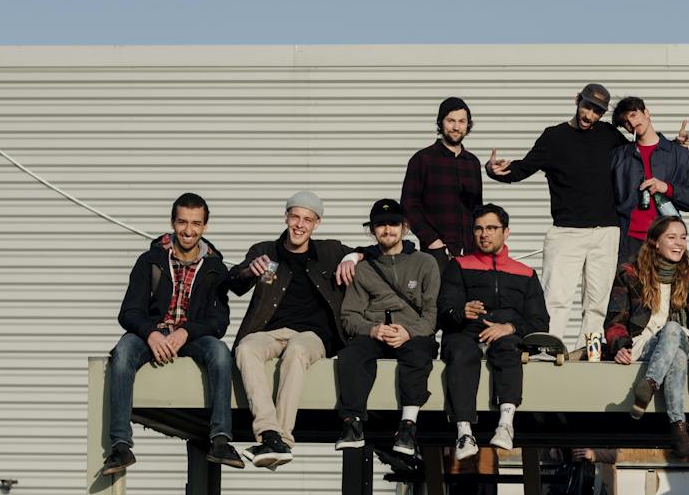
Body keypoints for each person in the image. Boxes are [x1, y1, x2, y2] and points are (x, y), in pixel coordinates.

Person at [100, 193, 241, 475]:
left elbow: (219, 321)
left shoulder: (215, 267)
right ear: (172, 223)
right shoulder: (149, 261)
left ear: (205, 227)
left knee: (220, 353)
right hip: (152, 334)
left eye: (196, 224)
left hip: (192, 337)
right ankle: (120, 446)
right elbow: (128, 312)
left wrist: (187, 331)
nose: (188, 230)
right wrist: (151, 333)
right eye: (182, 222)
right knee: (123, 351)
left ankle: (221, 440)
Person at [485, 82, 621, 355]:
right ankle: (549, 351)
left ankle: (590, 353)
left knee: (597, 302)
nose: (590, 115)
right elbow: (523, 167)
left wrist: (674, 147)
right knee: (556, 298)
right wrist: (494, 171)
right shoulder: (554, 137)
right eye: (587, 107)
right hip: (566, 232)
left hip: (606, 231)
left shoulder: (610, 135)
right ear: (576, 101)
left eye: (597, 112)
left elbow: (639, 156)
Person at [227, 190, 355, 469]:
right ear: (286, 217)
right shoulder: (265, 251)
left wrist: (353, 258)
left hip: (313, 336)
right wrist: (249, 271)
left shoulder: (331, 251)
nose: (299, 224)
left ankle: (282, 437)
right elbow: (234, 282)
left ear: (316, 224)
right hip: (271, 332)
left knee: (296, 351)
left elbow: (374, 254)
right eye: (295, 217)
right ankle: (269, 433)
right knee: (246, 347)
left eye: (307, 219)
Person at [438, 204, 549, 458]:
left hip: (505, 337)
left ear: (506, 232)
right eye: (478, 228)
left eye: (491, 228)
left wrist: (509, 327)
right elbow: (443, 310)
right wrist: (460, 311)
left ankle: (506, 425)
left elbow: (540, 321)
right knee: (462, 352)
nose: (484, 234)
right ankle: (464, 432)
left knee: (510, 346)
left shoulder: (525, 273)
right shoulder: (458, 265)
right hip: (465, 335)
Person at [333, 199, 441, 457]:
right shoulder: (362, 267)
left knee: (417, 355)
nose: (387, 229)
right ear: (372, 230)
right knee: (351, 355)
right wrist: (373, 330)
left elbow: (431, 314)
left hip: (411, 333)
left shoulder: (425, 263)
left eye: (393, 223)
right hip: (375, 332)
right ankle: (352, 424)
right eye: (380, 225)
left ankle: (408, 426)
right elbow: (349, 315)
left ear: (405, 227)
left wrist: (409, 332)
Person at [604, 214, 689, 458]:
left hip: (684, 338)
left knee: (673, 330)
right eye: (671, 237)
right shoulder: (630, 274)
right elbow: (615, 319)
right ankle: (679, 430)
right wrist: (620, 346)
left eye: (683, 237)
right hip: (644, 344)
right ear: (655, 242)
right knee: (677, 356)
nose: (679, 243)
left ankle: (649, 384)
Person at [609, 97, 689, 260]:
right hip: (628, 242)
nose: (632, 123)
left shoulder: (678, 154)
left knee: (665, 286)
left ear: (646, 112)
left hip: (665, 240)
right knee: (625, 286)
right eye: (626, 123)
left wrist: (667, 188)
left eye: (633, 115)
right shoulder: (619, 157)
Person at [400, 96, 481, 258]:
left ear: (468, 125)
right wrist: (433, 242)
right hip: (436, 254)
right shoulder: (422, 159)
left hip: (471, 253)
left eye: (462, 121)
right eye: (451, 120)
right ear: (440, 122)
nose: (456, 127)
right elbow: (409, 206)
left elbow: (477, 208)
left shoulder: (473, 162)